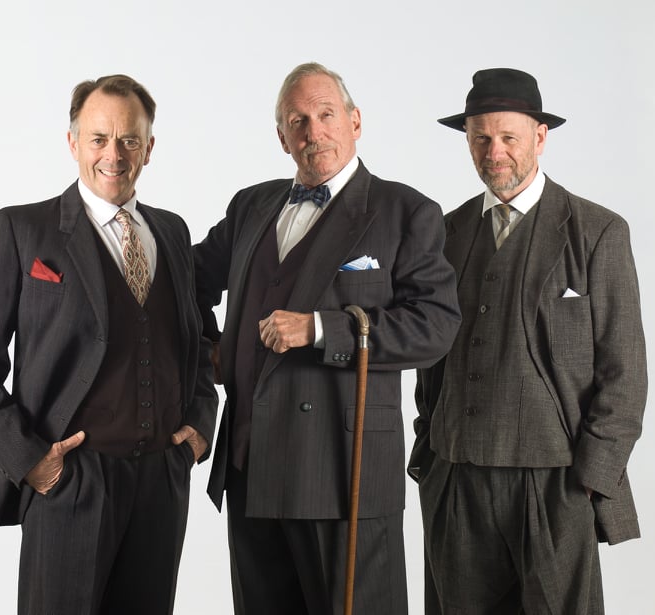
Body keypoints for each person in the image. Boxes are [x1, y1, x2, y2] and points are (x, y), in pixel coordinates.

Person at [193, 62, 461, 615]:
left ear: (355, 121)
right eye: (298, 121)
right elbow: (183, 285)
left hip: (341, 473)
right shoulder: (250, 206)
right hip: (250, 467)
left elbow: (435, 327)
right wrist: (211, 352)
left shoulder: (405, 211)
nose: (314, 132)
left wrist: (320, 328)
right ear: (282, 136)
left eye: (326, 114)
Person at [0, 74, 217, 615]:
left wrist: (198, 426)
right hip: (69, 480)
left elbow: (194, 340)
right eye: (99, 139)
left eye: (128, 140)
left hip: (161, 483)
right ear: (73, 142)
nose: (113, 155)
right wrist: (29, 459)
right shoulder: (22, 229)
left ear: (149, 147)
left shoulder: (172, 232)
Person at [409, 67, 647, 614]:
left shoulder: (597, 231)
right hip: (457, 475)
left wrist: (590, 480)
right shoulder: (446, 232)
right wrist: (430, 455)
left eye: (508, 137)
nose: (494, 152)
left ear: (540, 137)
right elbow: (432, 359)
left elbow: (625, 371)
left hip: (556, 481)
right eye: (480, 138)